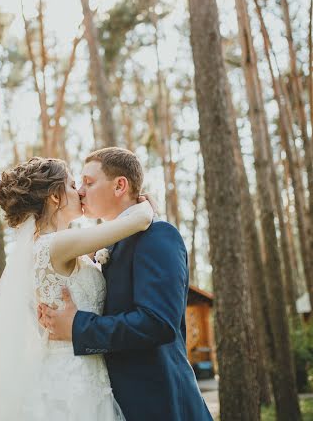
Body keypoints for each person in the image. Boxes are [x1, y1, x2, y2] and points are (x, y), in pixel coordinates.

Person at [0, 156, 153, 421]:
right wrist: (145, 206)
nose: (80, 192)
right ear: (54, 197)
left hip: (70, 368)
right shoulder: (55, 245)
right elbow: (137, 221)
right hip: (73, 379)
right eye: (73, 186)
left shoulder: (43, 247)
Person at [39, 147, 213, 421]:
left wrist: (78, 326)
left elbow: (157, 322)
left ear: (120, 185)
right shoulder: (104, 245)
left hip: (160, 402)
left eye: (89, 181)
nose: (81, 191)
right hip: (107, 401)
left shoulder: (157, 236)